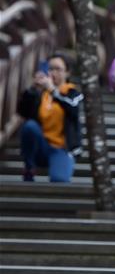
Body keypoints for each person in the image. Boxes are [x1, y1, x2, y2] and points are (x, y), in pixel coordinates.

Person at [17, 53, 83, 183]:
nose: (53, 73)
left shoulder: (72, 92)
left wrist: (53, 91)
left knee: (59, 180)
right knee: (29, 126)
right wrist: (33, 89)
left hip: (61, 148)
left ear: (67, 73)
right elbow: (22, 112)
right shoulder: (41, 93)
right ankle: (29, 168)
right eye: (50, 68)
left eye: (58, 69)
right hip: (41, 146)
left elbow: (73, 108)